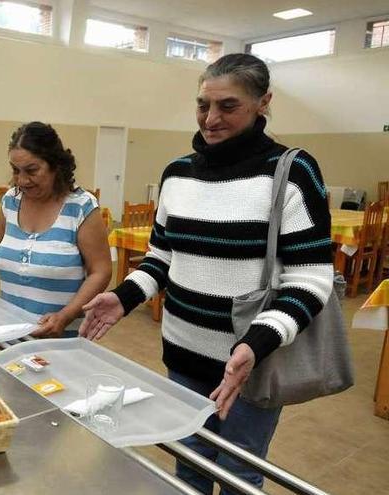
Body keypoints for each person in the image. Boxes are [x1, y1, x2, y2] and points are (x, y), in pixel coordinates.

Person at [79, 53, 333, 494]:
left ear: (263, 102)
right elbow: (162, 258)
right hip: (183, 357)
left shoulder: (291, 172)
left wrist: (255, 344)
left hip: (252, 365)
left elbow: (310, 278)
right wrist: (124, 297)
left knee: (239, 475)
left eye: (228, 106)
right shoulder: (177, 174)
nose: (211, 119)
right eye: (203, 105)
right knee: (190, 463)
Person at [0, 122, 112, 337]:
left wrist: (66, 315)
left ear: (55, 165)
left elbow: (101, 271)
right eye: (15, 170)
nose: (21, 180)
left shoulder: (81, 207)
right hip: (11, 331)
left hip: (58, 336)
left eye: (31, 171)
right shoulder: (11, 201)